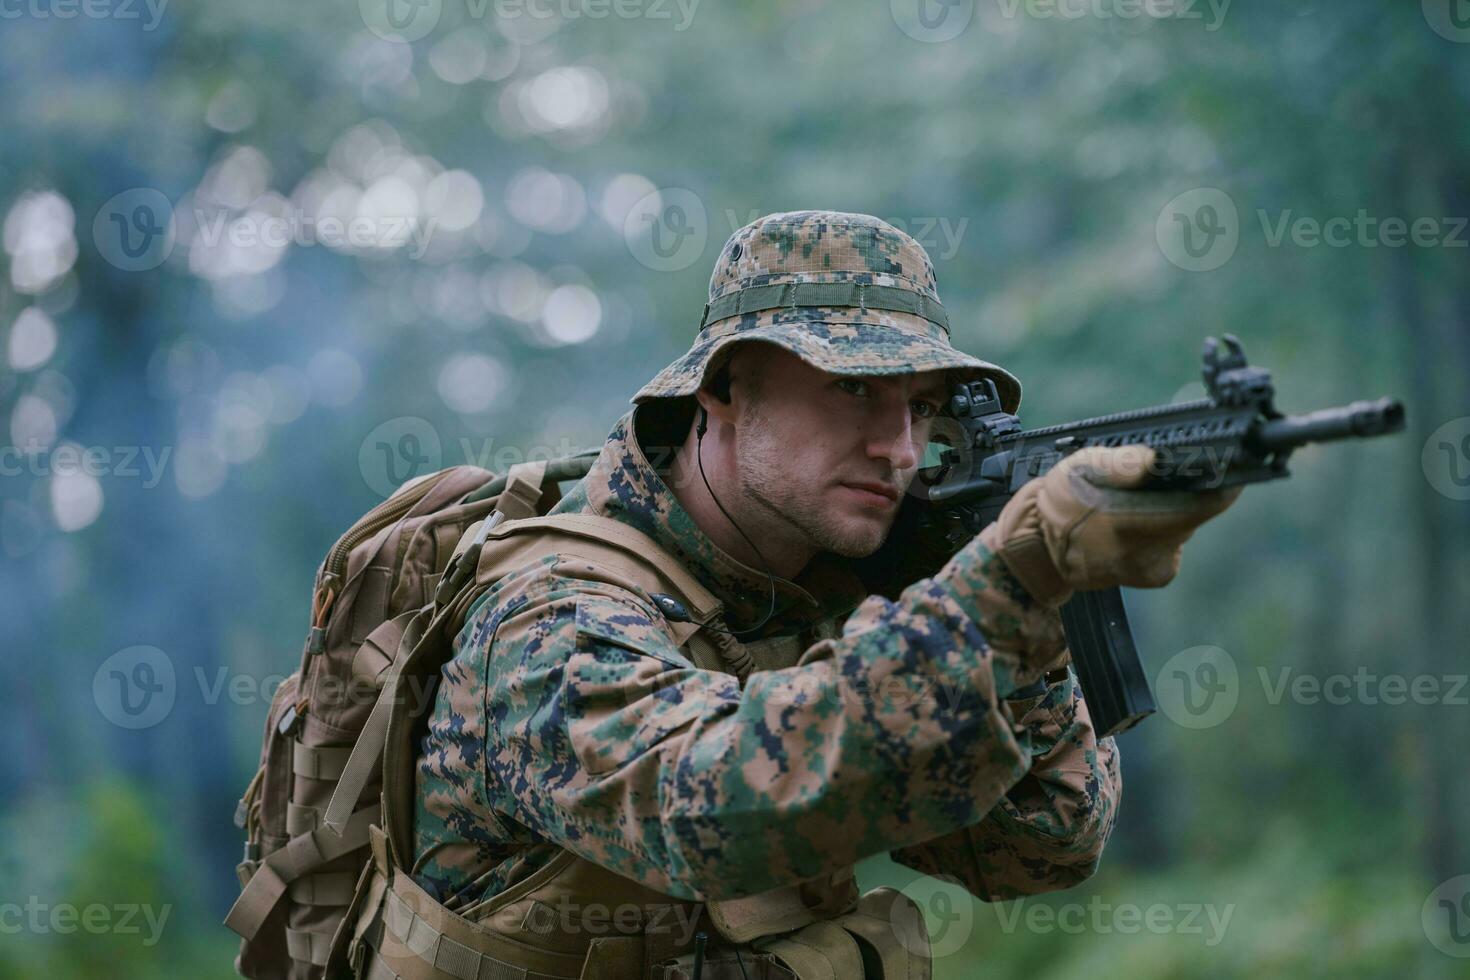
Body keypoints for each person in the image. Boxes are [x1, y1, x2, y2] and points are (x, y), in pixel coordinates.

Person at [406, 210, 1238, 978]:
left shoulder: (819, 587)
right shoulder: (550, 616)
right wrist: (1002, 591)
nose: (900, 449)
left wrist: (1029, 616)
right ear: (724, 387)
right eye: (853, 389)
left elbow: (1040, 845)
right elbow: (713, 815)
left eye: (922, 408)